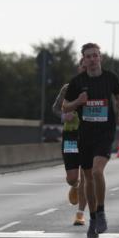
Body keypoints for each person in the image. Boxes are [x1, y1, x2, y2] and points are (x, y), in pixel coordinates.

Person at [62, 43, 119, 238]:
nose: (91, 59)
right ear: (83, 59)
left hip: (105, 132)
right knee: (87, 177)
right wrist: (78, 102)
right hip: (85, 135)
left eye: (95, 56)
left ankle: (101, 212)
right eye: (88, 56)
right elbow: (65, 107)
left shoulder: (110, 78)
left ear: (100, 58)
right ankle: (91, 220)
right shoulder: (77, 82)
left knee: (98, 171)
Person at [52, 60, 87, 226]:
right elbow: (55, 108)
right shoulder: (68, 88)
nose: (86, 69)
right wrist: (63, 116)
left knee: (87, 174)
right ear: (79, 68)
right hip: (71, 136)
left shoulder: (98, 89)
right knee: (72, 177)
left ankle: (80, 214)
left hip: (89, 135)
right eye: (83, 67)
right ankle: (74, 185)